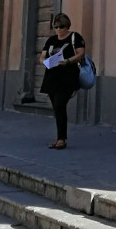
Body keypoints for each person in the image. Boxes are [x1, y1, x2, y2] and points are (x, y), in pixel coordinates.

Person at [39, 13, 85, 149]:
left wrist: (68, 61)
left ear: (67, 26)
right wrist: (45, 62)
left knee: (59, 105)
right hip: (52, 78)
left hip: (68, 77)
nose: (58, 30)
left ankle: (61, 139)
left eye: (61, 27)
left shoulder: (75, 37)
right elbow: (42, 57)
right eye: (56, 27)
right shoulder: (51, 40)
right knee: (57, 108)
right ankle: (61, 137)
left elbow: (81, 54)